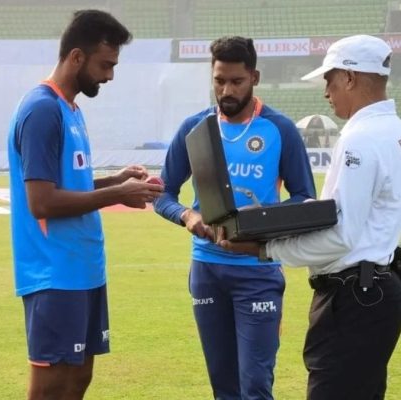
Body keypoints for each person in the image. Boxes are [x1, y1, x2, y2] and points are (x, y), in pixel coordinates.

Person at [218, 35, 401, 400]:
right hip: (378, 287)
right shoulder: (393, 130)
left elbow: (342, 235)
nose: (326, 91)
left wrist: (265, 248)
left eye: (329, 79)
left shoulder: (361, 138)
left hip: (353, 295)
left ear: (349, 77)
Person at [7, 10, 163, 400]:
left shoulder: (70, 109)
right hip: (54, 273)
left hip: (84, 270)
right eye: (105, 65)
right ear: (77, 57)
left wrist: (116, 181)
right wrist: (117, 195)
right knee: (52, 387)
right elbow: (41, 201)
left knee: (78, 379)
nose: (109, 76)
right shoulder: (42, 110)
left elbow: (66, 185)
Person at [154, 36, 316, 400]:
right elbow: (162, 194)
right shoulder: (195, 129)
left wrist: (261, 218)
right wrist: (187, 215)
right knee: (223, 387)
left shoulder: (279, 129)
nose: (226, 90)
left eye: (236, 81)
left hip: (257, 272)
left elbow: (305, 198)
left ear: (254, 77)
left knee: (255, 385)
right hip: (207, 271)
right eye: (219, 80)